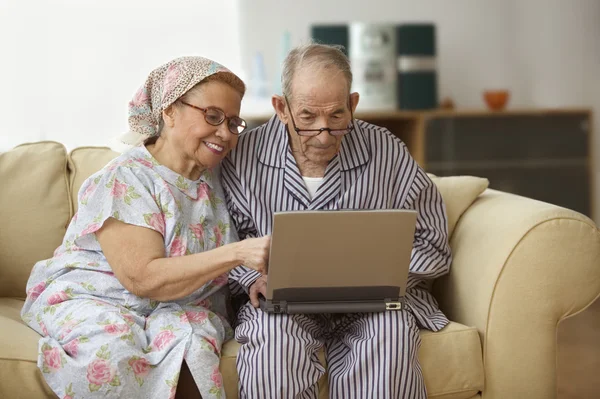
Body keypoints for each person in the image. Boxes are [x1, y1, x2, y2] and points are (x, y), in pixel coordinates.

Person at [20, 56, 270, 399]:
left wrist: (253, 275)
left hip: (180, 306)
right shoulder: (126, 178)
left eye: (233, 122)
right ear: (169, 110)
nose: (225, 133)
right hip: (101, 297)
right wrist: (237, 253)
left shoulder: (221, 179)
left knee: (193, 350)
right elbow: (143, 278)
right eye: (212, 116)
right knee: (113, 358)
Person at [221, 43, 452, 398]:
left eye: (337, 116)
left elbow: (432, 242)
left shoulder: (386, 150)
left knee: (390, 338)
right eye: (308, 117)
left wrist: (381, 274)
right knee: (271, 345)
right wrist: (254, 276)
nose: (324, 133)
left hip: (373, 305)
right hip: (279, 305)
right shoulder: (243, 156)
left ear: (353, 105)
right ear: (281, 108)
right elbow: (223, 240)